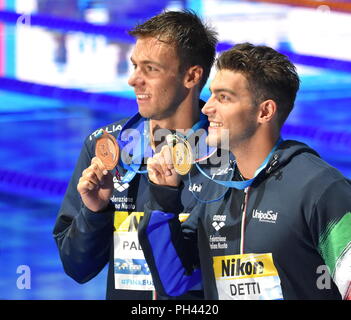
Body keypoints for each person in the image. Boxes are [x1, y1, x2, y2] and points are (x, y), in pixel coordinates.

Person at [140, 43, 351, 300]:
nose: (207, 108)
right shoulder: (217, 188)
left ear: (265, 111)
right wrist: (164, 196)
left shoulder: (319, 188)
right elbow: (175, 281)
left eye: (224, 97)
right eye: (212, 94)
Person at [53, 10, 218, 300]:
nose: (133, 80)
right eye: (134, 66)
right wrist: (95, 213)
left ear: (192, 76)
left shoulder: (225, 152)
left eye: (150, 69)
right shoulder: (106, 149)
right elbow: (77, 267)